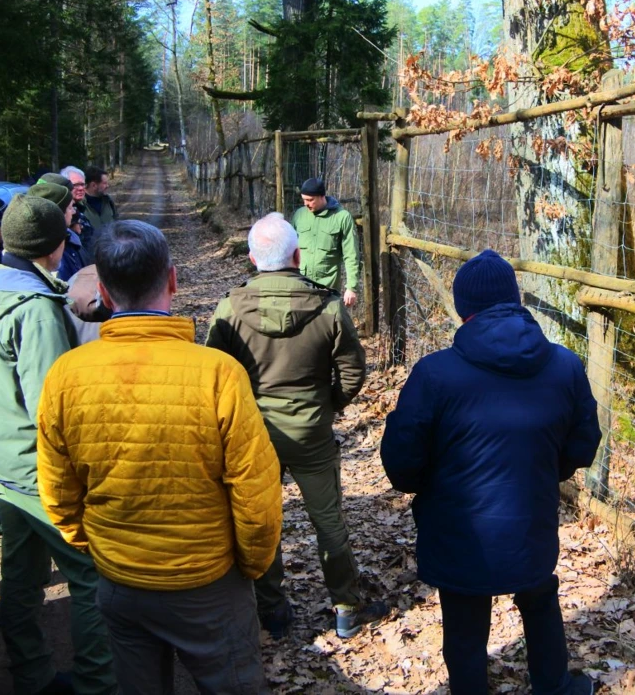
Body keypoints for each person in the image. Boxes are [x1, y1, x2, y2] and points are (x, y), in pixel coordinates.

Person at [36, 220, 282, 695]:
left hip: (120, 579)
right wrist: (250, 565)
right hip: (208, 582)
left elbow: (57, 486)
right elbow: (256, 488)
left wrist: (90, 544)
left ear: (105, 295)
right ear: (172, 280)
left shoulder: (65, 375)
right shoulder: (219, 373)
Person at [380, 250, 601, 695]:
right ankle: (555, 687)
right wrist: (540, 472)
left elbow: (402, 464)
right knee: (540, 600)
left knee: (463, 626)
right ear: (515, 300)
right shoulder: (564, 365)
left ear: (464, 310)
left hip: (458, 530)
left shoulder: (434, 374)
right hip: (530, 520)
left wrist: (436, 488)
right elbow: (584, 443)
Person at [0, 195, 115, 695]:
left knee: (22, 578)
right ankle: (95, 682)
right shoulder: (36, 309)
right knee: (90, 576)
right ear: (56, 246)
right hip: (38, 469)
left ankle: (31, 674)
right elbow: (54, 409)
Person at [205, 213, 383, 640]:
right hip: (312, 432)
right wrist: (328, 404)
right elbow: (353, 372)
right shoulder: (327, 306)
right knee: (328, 520)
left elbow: (213, 373)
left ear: (251, 258)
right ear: (298, 256)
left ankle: (272, 610)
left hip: (254, 433)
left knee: (263, 520)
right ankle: (345, 607)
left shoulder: (230, 307)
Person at [291, 177, 359, 308]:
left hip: (328, 288)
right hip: (300, 286)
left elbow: (351, 255)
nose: (306, 204)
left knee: (325, 327)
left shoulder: (342, 217)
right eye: (304, 199)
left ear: (322, 196)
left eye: (310, 200)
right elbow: (289, 250)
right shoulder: (299, 215)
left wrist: (351, 287)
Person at [29, 179, 86, 282]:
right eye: (70, 208)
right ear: (58, 214)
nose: (73, 212)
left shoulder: (68, 237)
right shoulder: (52, 248)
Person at [80, 165, 118, 231]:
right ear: (94, 185)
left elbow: (116, 223)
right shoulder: (79, 206)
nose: (107, 186)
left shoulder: (109, 202)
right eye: (105, 183)